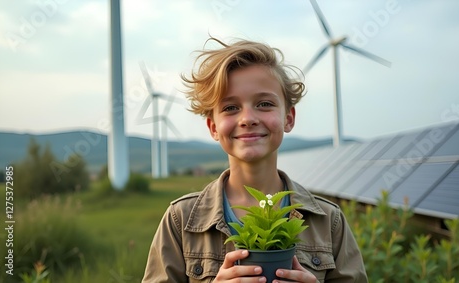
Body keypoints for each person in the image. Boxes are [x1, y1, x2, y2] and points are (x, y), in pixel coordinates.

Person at [142, 37, 368, 283]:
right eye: (230, 108)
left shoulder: (328, 221)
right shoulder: (180, 220)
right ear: (213, 127)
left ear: (288, 118)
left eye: (264, 104)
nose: (247, 118)